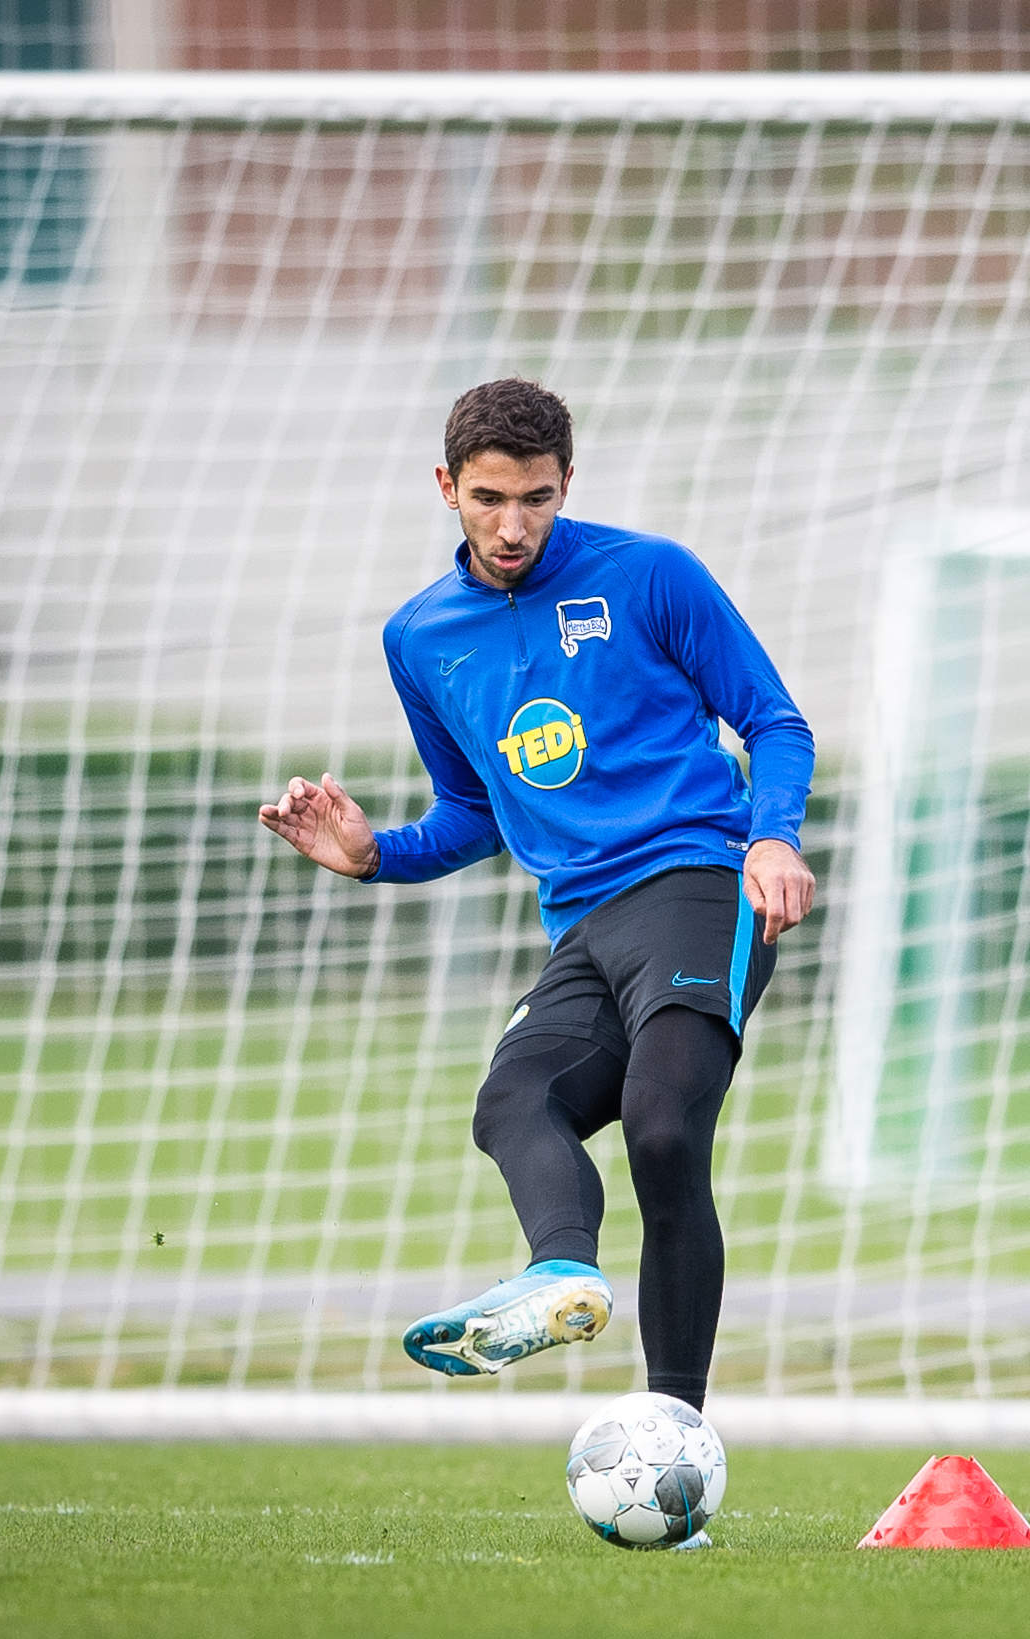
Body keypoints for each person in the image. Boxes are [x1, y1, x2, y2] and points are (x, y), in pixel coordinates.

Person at [259, 379, 815, 1490]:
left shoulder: (651, 574)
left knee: (664, 1131)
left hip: (702, 885)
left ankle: (676, 1440)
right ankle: (560, 1271)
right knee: (512, 1101)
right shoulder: (420, 636)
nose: (514, 525)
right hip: (583, 924)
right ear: (447, 487)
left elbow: (774, 720)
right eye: (489, 498)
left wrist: (772, 837)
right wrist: (375, 855)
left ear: (569, 484)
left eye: (538, 498)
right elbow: (472, 812)